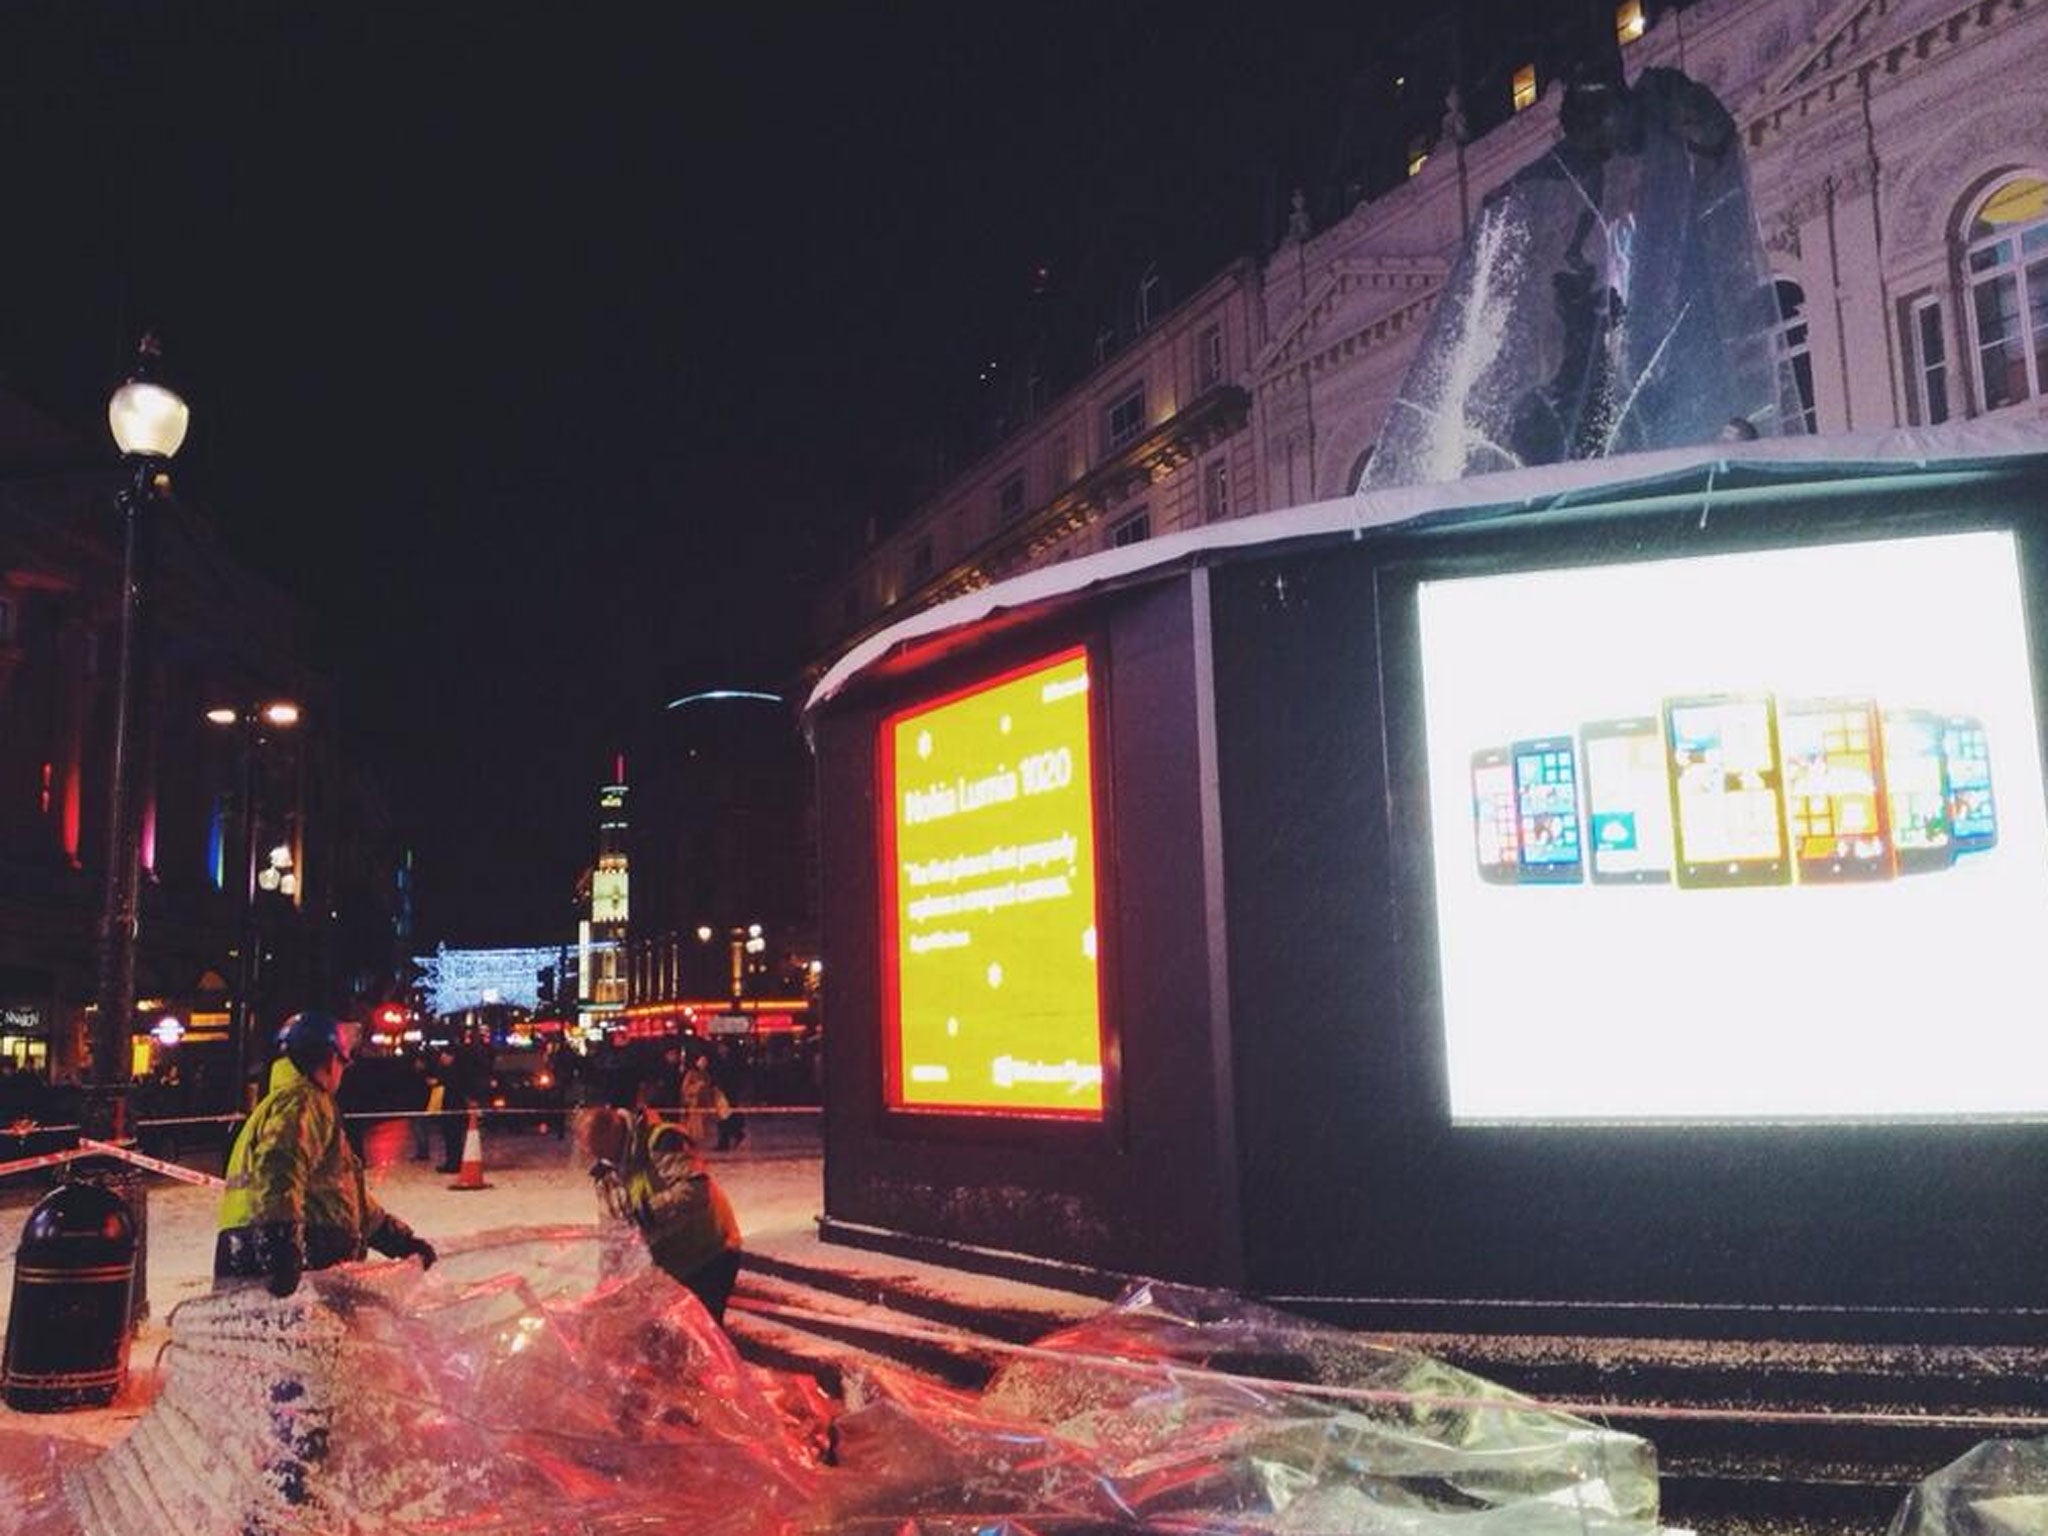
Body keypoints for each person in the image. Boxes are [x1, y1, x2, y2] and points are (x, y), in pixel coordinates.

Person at [215, 1010, 438, 1296]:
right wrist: (283, 1246)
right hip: (300, 1259)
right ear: (330, 1059)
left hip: (252, 1248)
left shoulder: (281, 1104)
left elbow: (337, 1194)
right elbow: (279, 1168)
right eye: (343, 1062)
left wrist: (394, 1238)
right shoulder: (305, 1101)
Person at [580, 1105, 743, 1324]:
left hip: (711, 1253)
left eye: (602, 1151)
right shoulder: (606, 1172)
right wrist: (606, 1287)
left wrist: (646, 1213)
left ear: (614, 1132)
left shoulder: (662, 1140)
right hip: (672, 1264)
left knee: (701, 1335)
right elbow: (613, 1234)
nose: (601, 1159)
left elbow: (696, 1190)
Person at [679, 1052, 718, 1147]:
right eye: (702, 1061)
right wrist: (697, 1087)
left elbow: (708, 1088)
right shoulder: (691, 1074)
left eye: (705, 1061)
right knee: (693, 1126)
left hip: (704, 1104)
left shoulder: (706, 1075)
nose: (704, 1063)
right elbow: (685, 1089)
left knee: (702, 1127)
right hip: (693, 1104)